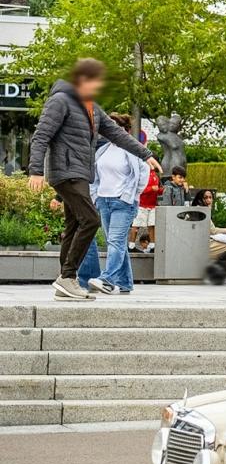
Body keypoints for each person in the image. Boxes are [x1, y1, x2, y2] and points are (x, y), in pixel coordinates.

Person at [26, 60, 159, 302]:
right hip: (66, 171)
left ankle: (66, 282)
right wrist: (36, 171)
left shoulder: (92, 107)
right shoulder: (61, 100)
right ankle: (67, 276)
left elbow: (117, 134)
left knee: (75, 224)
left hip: (80, 173)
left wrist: (146, 154)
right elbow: (41, 136)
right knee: (91, 219)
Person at [75, 114, 148, 295]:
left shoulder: (132, 149)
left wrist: (129, 195)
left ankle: (107, 280)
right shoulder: (104, 149)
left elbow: (143, 175)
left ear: (124, 130)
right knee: (116, 242)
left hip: (123, 203)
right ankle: (125, 283)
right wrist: (97, 196)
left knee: (115, 241)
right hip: (104, 201)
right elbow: (96, 176)